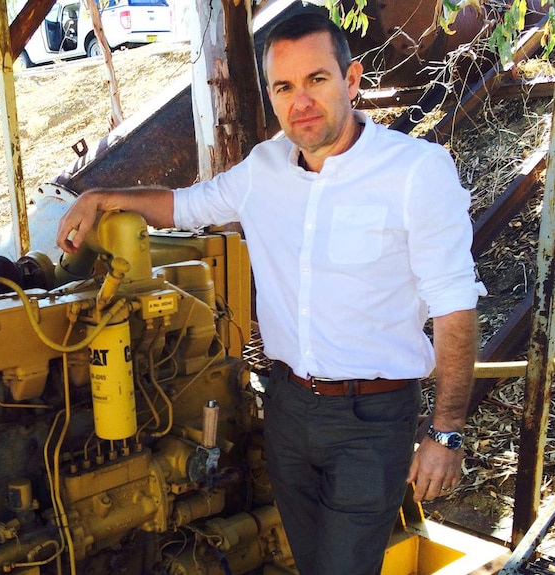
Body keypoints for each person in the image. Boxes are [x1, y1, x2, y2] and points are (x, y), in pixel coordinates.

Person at [55, 8, 485, 575]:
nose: (300, 101)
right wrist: (101, 197)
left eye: (317, 79)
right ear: (271, 95)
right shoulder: (264, 167)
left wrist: (446, 433)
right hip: (286, 410)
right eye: (284, 86)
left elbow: (455, 305)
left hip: (371, 419)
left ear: (351, 80)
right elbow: (185, 206)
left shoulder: (416, 172)